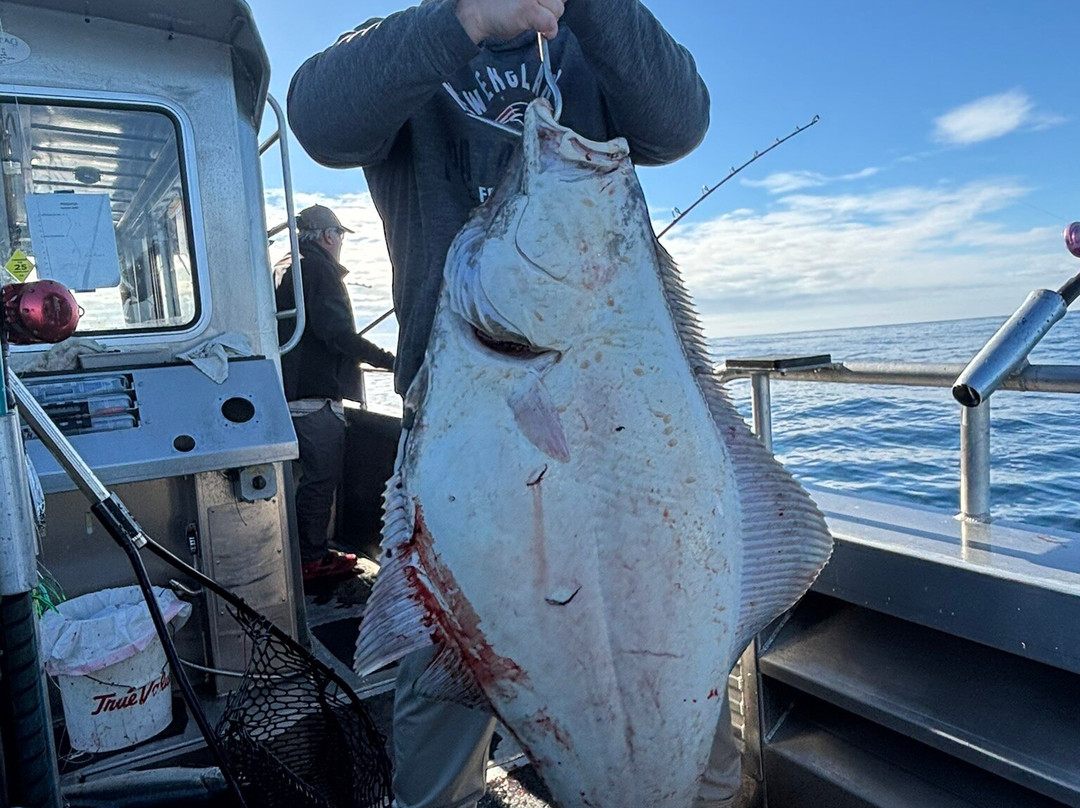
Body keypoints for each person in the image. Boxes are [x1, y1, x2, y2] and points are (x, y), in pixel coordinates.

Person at [288, 2, 737, 806]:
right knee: (440, 690)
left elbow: (680, 123)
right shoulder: (407, 43)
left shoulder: (599, 43)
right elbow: (321, 121)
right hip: (469, 424)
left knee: (679, 668)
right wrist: (467, 18)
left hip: (627, 421)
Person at [275, 204, 396, 584]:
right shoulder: (320, 270)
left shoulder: (287, 267)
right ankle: (309, 560)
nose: (341, 242)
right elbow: (337, 334)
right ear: (329, 235)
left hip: (286, 392)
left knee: (305, 477)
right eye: (340, 234)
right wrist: (390, 360)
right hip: (313, 395)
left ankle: (301, 552)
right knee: (321, 476)